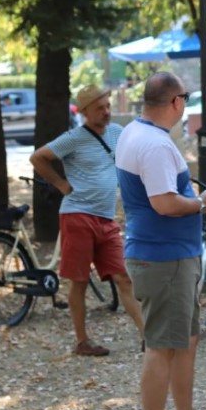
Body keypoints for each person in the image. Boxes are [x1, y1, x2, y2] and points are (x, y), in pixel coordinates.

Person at [115, 72, 206, 410]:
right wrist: (202, 204)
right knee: (161, 348)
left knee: (185, 341)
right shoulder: (156, 145)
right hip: (164, 260)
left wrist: (195, 198)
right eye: (186, 100)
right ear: (176, 102)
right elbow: (164, 203)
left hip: (169, 256)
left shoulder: (134, 132)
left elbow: (159, 193)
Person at [29, 84, 144, 357]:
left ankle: (147, 337)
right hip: (77, 215)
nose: (106, 112)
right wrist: (59, 184)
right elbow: (38, 157)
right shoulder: (73, 138)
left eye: (107, 106)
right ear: (84, 112)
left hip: (106, 218)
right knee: (78, 281)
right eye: (99, 108)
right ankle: (82, 342)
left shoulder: (118, 133)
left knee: (124, 278)